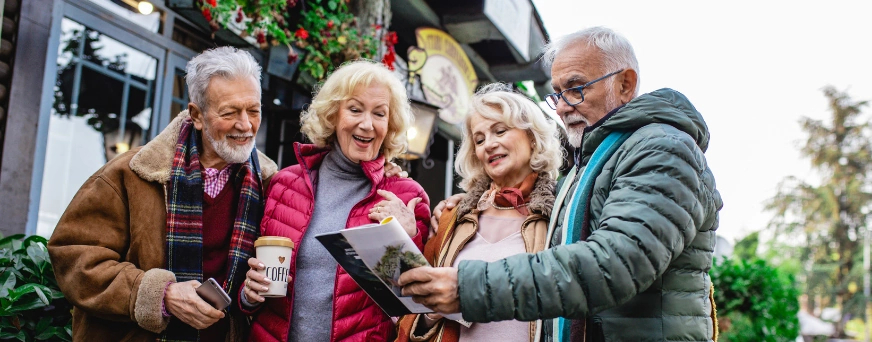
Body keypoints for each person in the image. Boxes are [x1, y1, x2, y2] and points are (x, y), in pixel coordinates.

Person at [400, 26, 723, 342]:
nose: (564, 106)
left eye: (577, 87)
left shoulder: (661, 148)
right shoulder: (594, 162)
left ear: (625, 84)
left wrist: (470, 288)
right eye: (558, 93)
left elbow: (617, 263)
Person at [47, 47, 277, 341]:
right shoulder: (129, 173)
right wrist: (161, 295)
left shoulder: (270, 183)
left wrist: (251, 296)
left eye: (253, 111)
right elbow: (74, 259)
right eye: (229, 112)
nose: (245, 125)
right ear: (196, 115)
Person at [240, 60, 431, 342]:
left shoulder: (406, 196)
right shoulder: (284, 184)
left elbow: (415, 306)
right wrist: (249, 296)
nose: (366, 124)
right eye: (355, 109)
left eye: (379, 114)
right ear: (333, 115)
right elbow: (254, 282)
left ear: (389, 124)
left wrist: (409, 237)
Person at [394, 84, 563, 342]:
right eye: (480, 139)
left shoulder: (560, 215)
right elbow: (413, 315)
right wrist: (433, 314)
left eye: (500, 131)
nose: (489, 145)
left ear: (531, 136)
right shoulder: (453, 215)